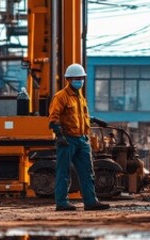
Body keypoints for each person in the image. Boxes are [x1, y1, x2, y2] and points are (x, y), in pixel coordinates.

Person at [48, 63, 110, 211]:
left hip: (82, 139)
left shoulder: (80, 97)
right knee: (63, 172)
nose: (80, 81)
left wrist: (93, 119)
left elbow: (79, 117)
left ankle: (90, 201)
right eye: (76, 78)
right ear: (68, 80)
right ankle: (61, 203)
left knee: (87, 172)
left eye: (81, 78)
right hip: (67, 139)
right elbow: (53, 119)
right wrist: (60, 135)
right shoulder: (61, 97)